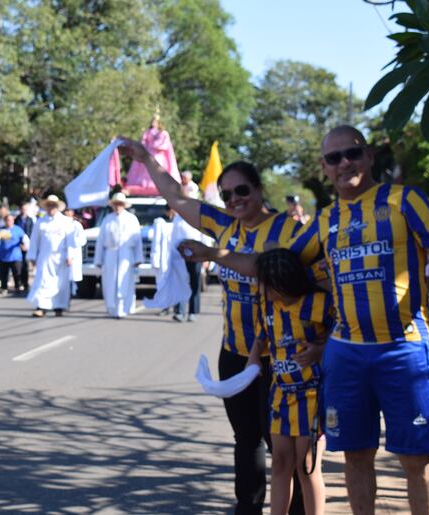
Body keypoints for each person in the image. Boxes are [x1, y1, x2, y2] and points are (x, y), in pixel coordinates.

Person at [178, 125, 429, 515]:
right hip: (346, 355)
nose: (345, 162)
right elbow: (271, 265)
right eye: (334, 157)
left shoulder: (405, 200)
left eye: (352, 153)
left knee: (417, 460)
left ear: (368, 156)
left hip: (404, 348)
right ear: (325, 167)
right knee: (356, 456)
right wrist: (214, 255)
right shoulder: (325, 220)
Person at [119, 139, 306, 514]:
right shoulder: (224, 224)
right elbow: (176, 196)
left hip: (280, 355)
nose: (235, 199)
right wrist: (146, 159)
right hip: (235, 351)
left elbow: (271, 270)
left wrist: (213, 254)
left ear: (259, 190)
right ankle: (247, 506)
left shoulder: (288, 231)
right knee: (246, 438)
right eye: (226, 194)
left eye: (242, 190)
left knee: (282, 444)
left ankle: (298, 508)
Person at [247, 249, 333, 515]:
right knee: (281, 463)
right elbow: (262, 336)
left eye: (262, 281)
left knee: (306, 466)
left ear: (281, 281)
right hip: (280, 393)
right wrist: (253, 357)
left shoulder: (319, 303)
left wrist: (320, 350)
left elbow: (342, 336)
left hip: (312, 394)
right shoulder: (267, 305)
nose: (258, 287)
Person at [94, 193, 143, 319]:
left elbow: (137, 240)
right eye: (115, 204)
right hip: (110, 253)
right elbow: (100, 240)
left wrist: (138, 258)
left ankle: (122, 307)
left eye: (120, 204)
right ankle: (111, 306)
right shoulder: (107, 219)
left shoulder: (132, 219)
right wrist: (98, 259)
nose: (117, 207)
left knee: (124, 279)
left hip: (126, 254)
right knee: (110, 281)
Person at [27, 195, 77, 317]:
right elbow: (34, 241)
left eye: (53, 206)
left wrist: (70, 256)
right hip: (45, 257)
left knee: (60, 283)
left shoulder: (65, 221)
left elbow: (70, 240)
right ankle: (41, 307)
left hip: (61, 257)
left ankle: (59, 306)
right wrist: (32, 256)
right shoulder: (41, 222)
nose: (51, 208)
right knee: (43, 281)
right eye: (49, 206)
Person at [125, 113, 181, 196]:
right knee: (146, 169)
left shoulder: (163, 133)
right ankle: (145, 183)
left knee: (157, 168)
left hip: (157, 155)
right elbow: (143, 142)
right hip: (148, 153)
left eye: (155, 122)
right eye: (153, 121)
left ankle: (156, 183)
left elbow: (163, 144)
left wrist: (154, 144)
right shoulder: (148, 132)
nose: (153, 123)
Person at [171, 207, 204, 322]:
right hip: (180, 254)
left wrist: (207, 256)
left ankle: (193, 312)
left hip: (196, 253)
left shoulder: (197, 218)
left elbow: (204, 237)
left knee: (195, 283)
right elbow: (173, 238)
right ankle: (179, 311)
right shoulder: (177, 218)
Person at [0, 214, 29, 293]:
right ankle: (4, 288)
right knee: (4, 273)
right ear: (5, 221)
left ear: (13, 221)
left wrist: (25, 246)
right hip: (3, 256)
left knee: (17, 273)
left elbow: (25, 239)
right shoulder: (0, 230)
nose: (9, 222)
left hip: (15, 256)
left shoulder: (18, 229)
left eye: (10, 220)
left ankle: (18, 287)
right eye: (7, 220)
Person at [64, 208, 87, 296]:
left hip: (74, 251)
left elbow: (82, 240)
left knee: (73, 273)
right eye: (65, 211)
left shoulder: (76, 225)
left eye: (68, 211)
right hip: (63, 251)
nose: (66, 212)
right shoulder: (60, 223)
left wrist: (71, 240)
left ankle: (73, 289)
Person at [15, 202, 35, 292]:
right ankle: (18, 283)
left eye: (25, 209)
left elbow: (32, 233)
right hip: (17, 245)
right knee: (18, 265)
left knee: (25, 265)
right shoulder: (17, 219)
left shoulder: (30, 220)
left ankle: (25, 283)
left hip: (27, 245)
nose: (24, 210)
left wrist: (27, 244)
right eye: (22, 209)